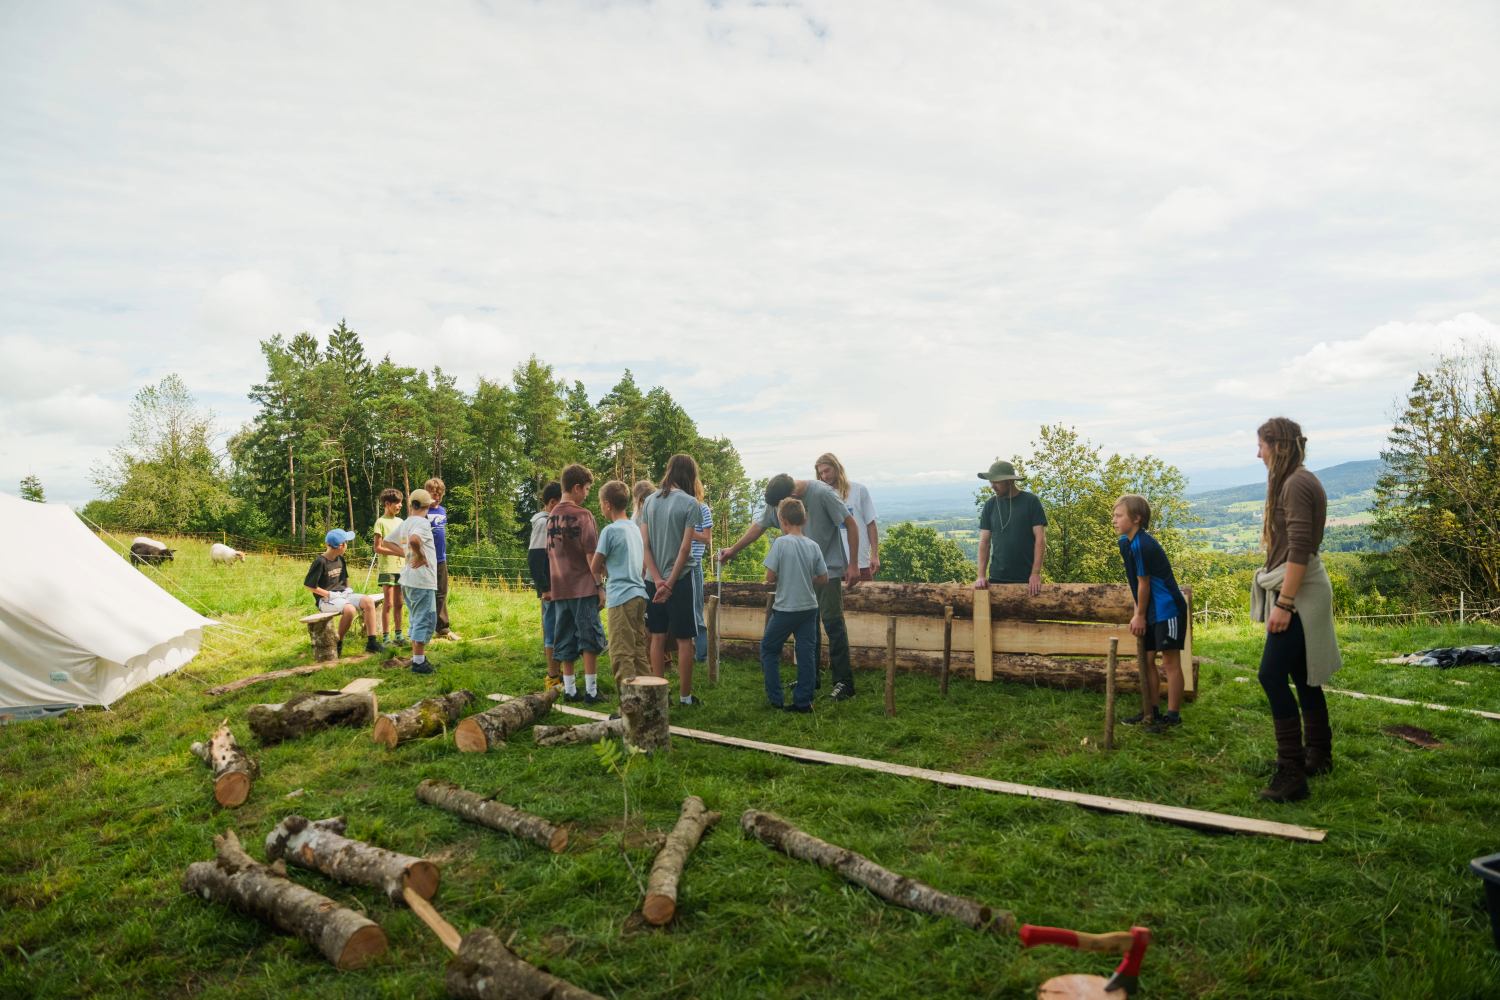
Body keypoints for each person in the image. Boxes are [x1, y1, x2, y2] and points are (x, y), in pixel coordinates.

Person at [1252, 418, 1341, 802]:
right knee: (1303, 677)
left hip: (1300, 593)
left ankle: (1291, 774)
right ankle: (1318, 754)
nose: (1258, 453)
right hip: (1298, 587)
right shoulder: (1295, 480)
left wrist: (1285, 604)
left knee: (1271, 676)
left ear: (1277, 445)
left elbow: (1301, 547)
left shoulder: (1295, 483)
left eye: (1261, 446)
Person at [719, 472, 861, 701]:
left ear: (792, 496)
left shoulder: (823, 494)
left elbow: (851, 524)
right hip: (805, 576)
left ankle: (844, 682)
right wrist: (733, 550)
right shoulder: (780, 495)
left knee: (833, 623)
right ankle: (810, 679)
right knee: (809, 629)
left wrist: (853, 564)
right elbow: (759, 526)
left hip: (828, 571)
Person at [1113, 494, 1188, 730]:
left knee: (1169, 662)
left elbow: (1145, 583)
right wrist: (1139, 612)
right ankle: (1151, 711)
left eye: (1119, 515)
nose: (1114, 520)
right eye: (1113, 515)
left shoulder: (1143, 545)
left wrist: (1139, 615)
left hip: (1168, 609)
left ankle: (1173, 717)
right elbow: (1137, 584)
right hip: (1150, 610)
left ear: (1136, 519)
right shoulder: (1126, 543)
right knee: (1146, 661)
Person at [642, 454, 704, 706]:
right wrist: (669, 583)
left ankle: (659, 695)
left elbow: (644, 545)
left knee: (657, 637)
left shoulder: (648, 500)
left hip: (651, 580)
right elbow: (685, 549)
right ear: (691, 476)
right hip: (680, 580)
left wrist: (657, 580)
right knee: (684, 639)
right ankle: (685, 697)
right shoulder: (691, 504)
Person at [759, 497, 829, 713]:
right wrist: (807, 579)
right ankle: (804, 701)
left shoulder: (780, 543)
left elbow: (770, 577)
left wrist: (774, 579)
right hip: (809, 607)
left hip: (785, 608)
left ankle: (775, 698)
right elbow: (823, 578)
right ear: (804, 519)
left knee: (769, 649)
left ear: (783, 520)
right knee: (806, 653)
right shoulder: (813, 545)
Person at [548, 464, 605, 703]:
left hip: (560, 589)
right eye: (588, 489)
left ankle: (570, 689)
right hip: (583, 587)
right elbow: (592, 554)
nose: (588, 494)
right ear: (577, 487)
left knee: (565, 638)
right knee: (589, 638)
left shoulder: (551, 517)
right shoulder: (584, 516)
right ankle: (591, 690)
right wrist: (600, 586)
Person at [590, 480, 650, 688]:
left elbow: (594, 566)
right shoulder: (634, 528)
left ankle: (629, 706)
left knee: (621, 652)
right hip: (639, 595)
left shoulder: (610, 530)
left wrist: (604, 575)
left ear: (607, 505)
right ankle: (648, 699)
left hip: (621, 597)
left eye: (600, 503)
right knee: (639, 650)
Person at [373, 489, 439, 674]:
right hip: (422, 580)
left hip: (408, 580)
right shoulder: (422, 523)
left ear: (411, 504)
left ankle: (419, 657)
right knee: (425, 619)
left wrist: (407, 554)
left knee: (417, 617)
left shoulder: (407, 522)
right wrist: (418, 555)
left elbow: (386, 542)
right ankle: (418, 662)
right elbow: (415, 540)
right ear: (427, 506)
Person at [303, 529, 386, 657]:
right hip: (326, 600)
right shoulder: (320, 562)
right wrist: (329, 594)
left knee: (368, 601)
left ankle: (372, 642)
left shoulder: (340, 559)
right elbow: (309, 585)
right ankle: (339, 642)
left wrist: (348, 589)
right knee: (350, 610)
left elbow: (345, 578)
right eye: (346, 542)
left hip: (343, 595)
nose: (347, 545)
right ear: (341, 546)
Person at [973, 460, 1047, 597]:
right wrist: (981, 576)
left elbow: (1040, 539)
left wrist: (1035, 573)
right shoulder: (990, 505)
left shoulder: (1031, 502)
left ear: (1009, 481)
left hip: (1027, 580)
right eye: (991, 482)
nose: (992, 486)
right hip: (996, 579)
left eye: (997, 482)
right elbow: (984, 542)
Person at [814, 452, 880, 579]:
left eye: (827, 471)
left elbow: (871, 524)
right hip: (833, 567)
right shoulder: (821, 496)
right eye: (821, 473)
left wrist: (875, 555)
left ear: (837, 467)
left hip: (860, 563)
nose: (824, 476)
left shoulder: (859, 490)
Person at [527, 481, 564, 690]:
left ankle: (559, 672)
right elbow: (535, 557)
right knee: (552, 630)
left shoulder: (552, 520)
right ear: (552, 502)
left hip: (558, 586)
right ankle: (552, 676)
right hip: (550, 588)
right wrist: (544, 588)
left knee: (559, 630)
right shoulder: (543, 523)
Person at [426, 478, 460, 641]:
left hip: (441, 558)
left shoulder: (443, 511)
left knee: (441, 593)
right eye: (434, 493)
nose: (437, 496)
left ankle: (442, 628)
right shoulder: (422, 511)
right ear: (427, 494)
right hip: (425, 559)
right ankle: (424, 629)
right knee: (426, 593)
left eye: (439, 493)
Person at [372, 488, 406, 646]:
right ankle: (386, 638)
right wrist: (398, 553)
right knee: (389, 603)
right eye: (397, 503)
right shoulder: (380, 522)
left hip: (402, 569)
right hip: (387, 569)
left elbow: (404, 544)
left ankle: (399, 635)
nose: (400, 505)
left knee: (400, 603)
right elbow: (377, 548)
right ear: (387, 504)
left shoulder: (401, 522)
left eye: (401, 502)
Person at [689, 488, 713, 662]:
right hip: (673, 564)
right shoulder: (676, 507)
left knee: (697, 610)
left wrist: (688, 533)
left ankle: (702, 655)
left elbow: (707, 538)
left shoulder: (702, 508)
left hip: (694, 563)